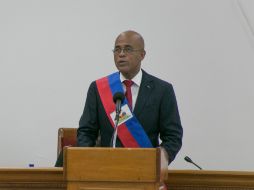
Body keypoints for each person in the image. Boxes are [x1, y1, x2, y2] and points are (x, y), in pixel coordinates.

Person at [77, 30, 183, 164]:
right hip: (105, 169)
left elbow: (173, 136)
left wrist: (159, 162)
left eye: (127, 49)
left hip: (145, 171)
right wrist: (90, 163)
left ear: (142, 55)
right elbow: (86, 132)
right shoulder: (98, 88)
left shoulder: (162, 90)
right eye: (117, 50)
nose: (121, 54)